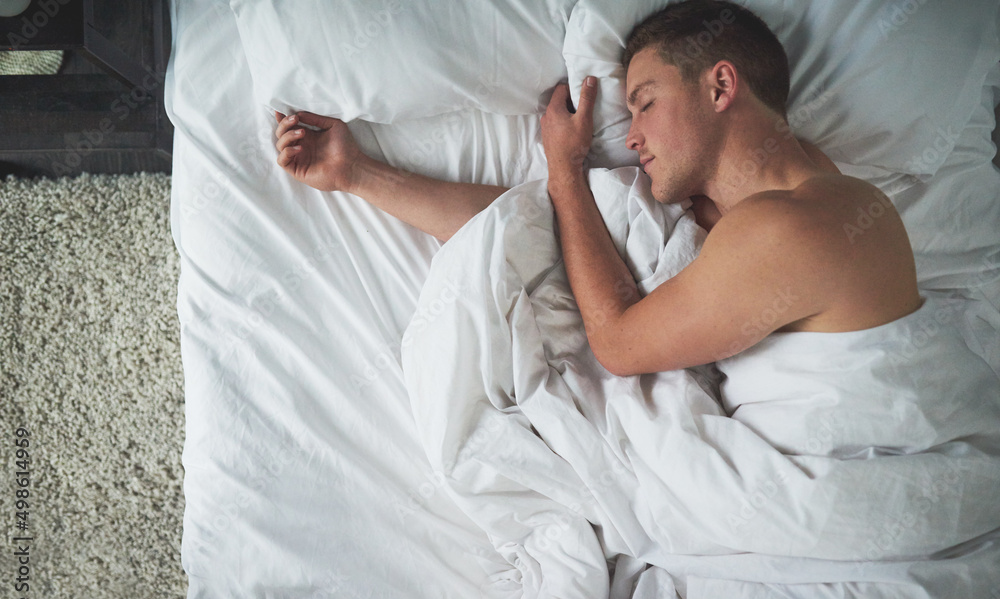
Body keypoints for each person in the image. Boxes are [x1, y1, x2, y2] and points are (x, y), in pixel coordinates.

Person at [273, 0, 922, 377]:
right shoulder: (756, 209)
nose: (632, 134)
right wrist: (355, 172)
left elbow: (616, 344)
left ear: (721, 87)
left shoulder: (792, 228)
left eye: (644, 103)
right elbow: (532, 231)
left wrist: (564, 168)